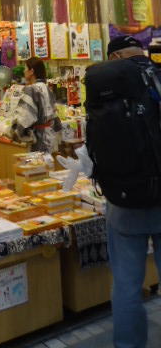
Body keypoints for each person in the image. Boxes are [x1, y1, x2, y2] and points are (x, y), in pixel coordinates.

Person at [100, 36, 161, 348]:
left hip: (123, 201)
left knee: (126, 286)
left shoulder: (106, 87)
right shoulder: (157, 76)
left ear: (115, 57)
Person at [12, 56, 61, 152]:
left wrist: (15, 131)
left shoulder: (31, 90)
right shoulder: (47, 88)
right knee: (48, 160)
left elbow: (25, 117)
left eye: (25, 69)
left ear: (31, 71)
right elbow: (54, 114)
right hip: (50, 136)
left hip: (39, 139)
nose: (24, 72)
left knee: (38, 161)